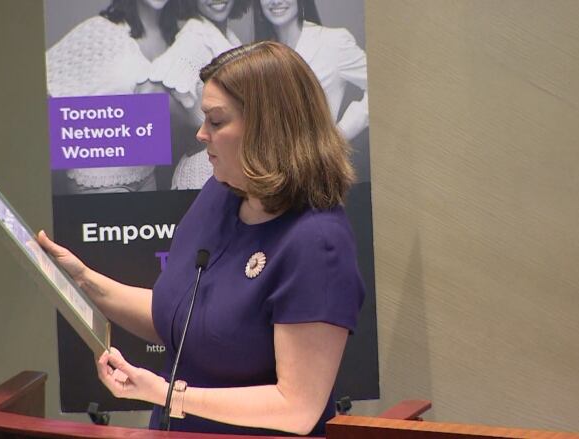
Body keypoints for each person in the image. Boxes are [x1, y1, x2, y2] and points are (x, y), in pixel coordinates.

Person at [38, 41, 365, 435]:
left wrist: (166, 393)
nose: (200, 134)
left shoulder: (317, 243)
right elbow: (179, 317)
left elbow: (296, 407)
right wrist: (84, 282)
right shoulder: (221, 193)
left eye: (216, 121)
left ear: (269, 127)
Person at [45, 0, 183, 194]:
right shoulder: (101, 31)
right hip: (98, 181)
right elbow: (41, 83)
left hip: (147, 176)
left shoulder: (180, 39)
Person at [146, 0, 251, 190]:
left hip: (220, 171)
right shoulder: (194, 37)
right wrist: (198, 129)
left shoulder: (225, 36)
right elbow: (150, 94)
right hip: (203, 175)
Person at [254, 0, 368, 142]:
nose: (276, 1)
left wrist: (338, 137)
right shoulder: (257, 52)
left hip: (317, 161)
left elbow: (381, 85)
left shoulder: (332, 42)